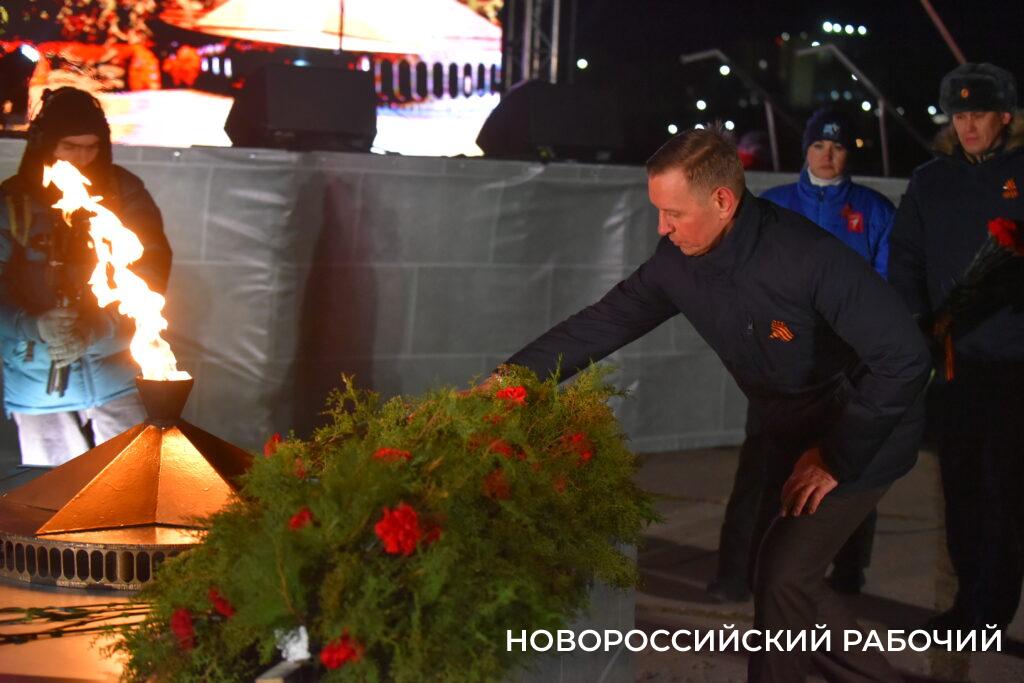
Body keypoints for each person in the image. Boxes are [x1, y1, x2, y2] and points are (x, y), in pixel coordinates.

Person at [502, 127, 929, 682]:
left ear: (722, 200)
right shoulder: (677, 261)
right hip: (793, 428)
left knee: (783, 573)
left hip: (865, 428)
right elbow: (604, 322)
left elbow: (905, 359)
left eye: (674, 213)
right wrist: (510, 380)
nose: (663, 227)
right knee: (787, 581)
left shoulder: (809, 257)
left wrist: (834, 457)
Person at [708, 108, 897, 602]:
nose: (827, 155)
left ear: (849, 153)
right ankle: (735, 574)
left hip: (846, 366)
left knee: (846, 464)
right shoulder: (772, 205)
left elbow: (885, 286)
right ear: (806, 150)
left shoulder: (874, 211)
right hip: (778, 364)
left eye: (837, 146)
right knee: (761, 468)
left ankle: (847, 573)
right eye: (818, 145)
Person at [890, 62, 1024, 631]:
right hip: (955, 364)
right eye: (959, 115)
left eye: (980, 114)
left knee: (1006, 490)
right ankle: (973, 606)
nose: (968, 126)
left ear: (1005, 117)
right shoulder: (930, 181)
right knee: (961, 487)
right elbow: (906, 259)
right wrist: (917, 321)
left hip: (1016, 364)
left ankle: (994, 605)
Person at [0, 87, 172, 466]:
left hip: (116, 373)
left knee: (132, 479)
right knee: (53, 491)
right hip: (37, 382)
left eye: (91, 147)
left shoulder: (122, 192)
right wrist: (33, 325)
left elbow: (150, 270)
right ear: (46, 144)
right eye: (70, 146)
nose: (81, 157)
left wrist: (95, 327)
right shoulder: (12, 202)